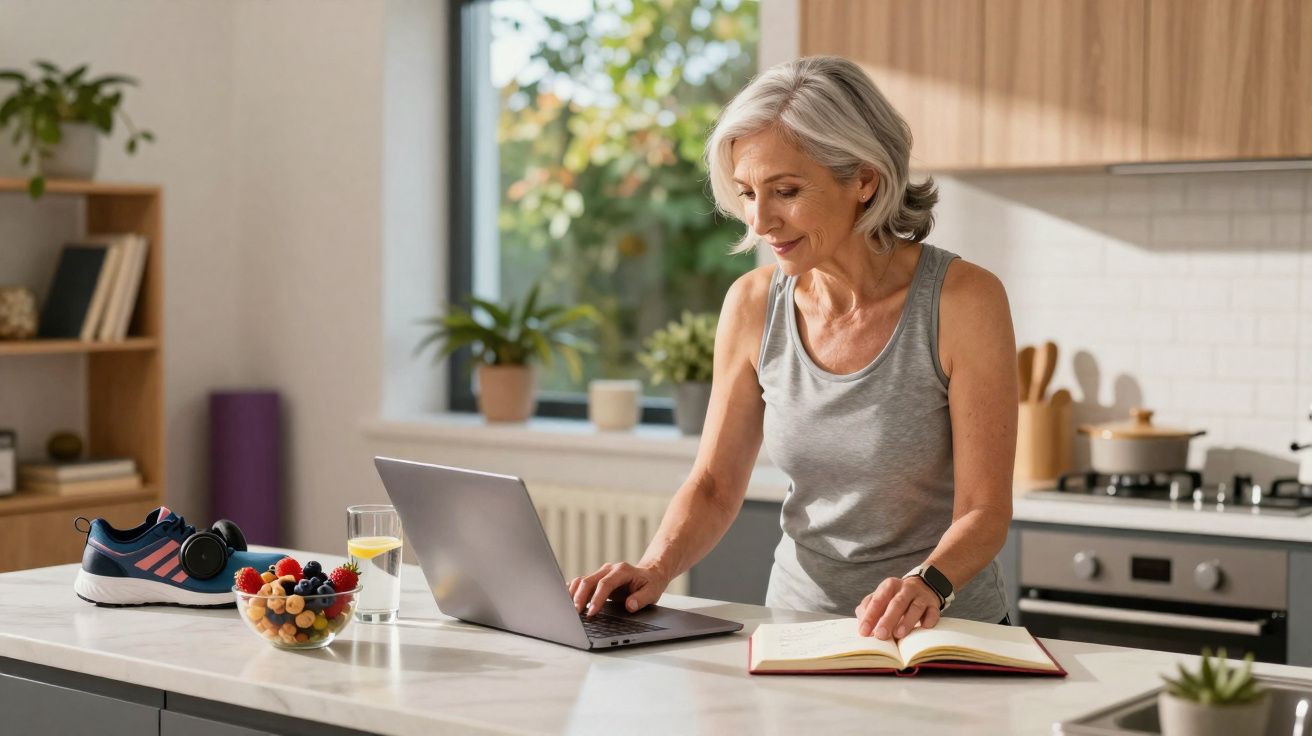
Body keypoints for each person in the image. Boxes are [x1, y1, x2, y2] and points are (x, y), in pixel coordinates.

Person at [568, 55, 1017, 641]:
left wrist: (926, 583)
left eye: (786, 191)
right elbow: (713, 484)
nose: (759, 220)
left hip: (945, 634)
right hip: (800, 630)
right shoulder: (753, 304)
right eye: (748, 192)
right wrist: (654, 568)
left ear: (864, 179)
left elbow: (985, 511)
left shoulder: (963, 301)